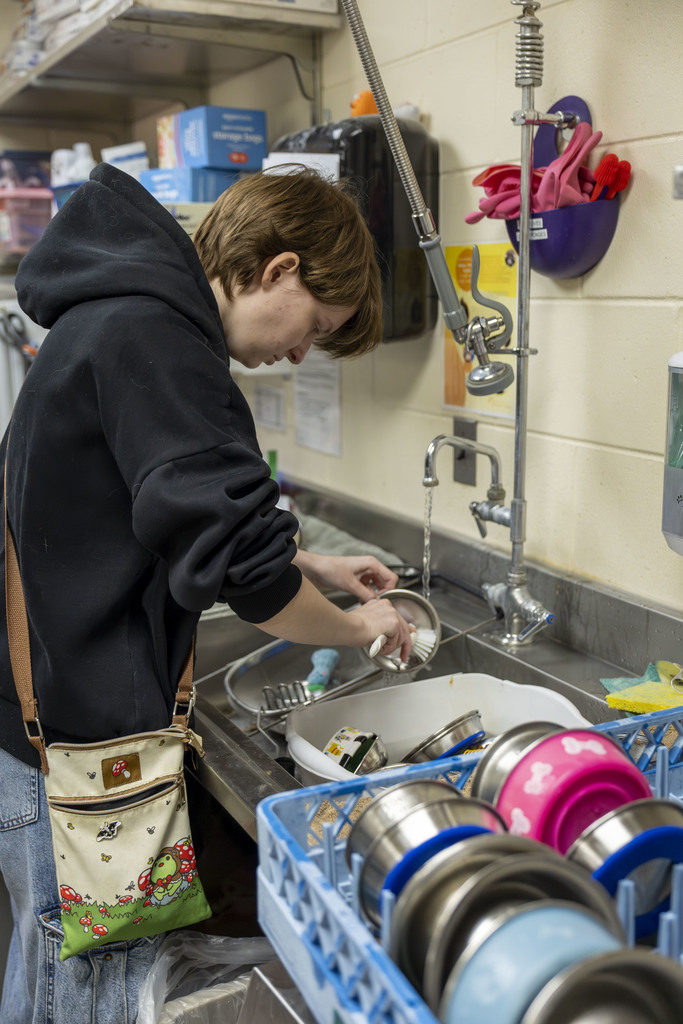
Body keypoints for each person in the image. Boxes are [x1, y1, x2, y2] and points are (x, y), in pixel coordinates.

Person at [0, 162, 413, 1023]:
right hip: (73, 748)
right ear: (280, 270)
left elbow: (169, 522)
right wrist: (352, 623)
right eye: (314, 327)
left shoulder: (123, 315)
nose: (300, 353)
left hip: (43, 718)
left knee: (51, 956)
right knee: (80, 977)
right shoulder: (160, 341)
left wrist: (319, 567)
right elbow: (251, 582)